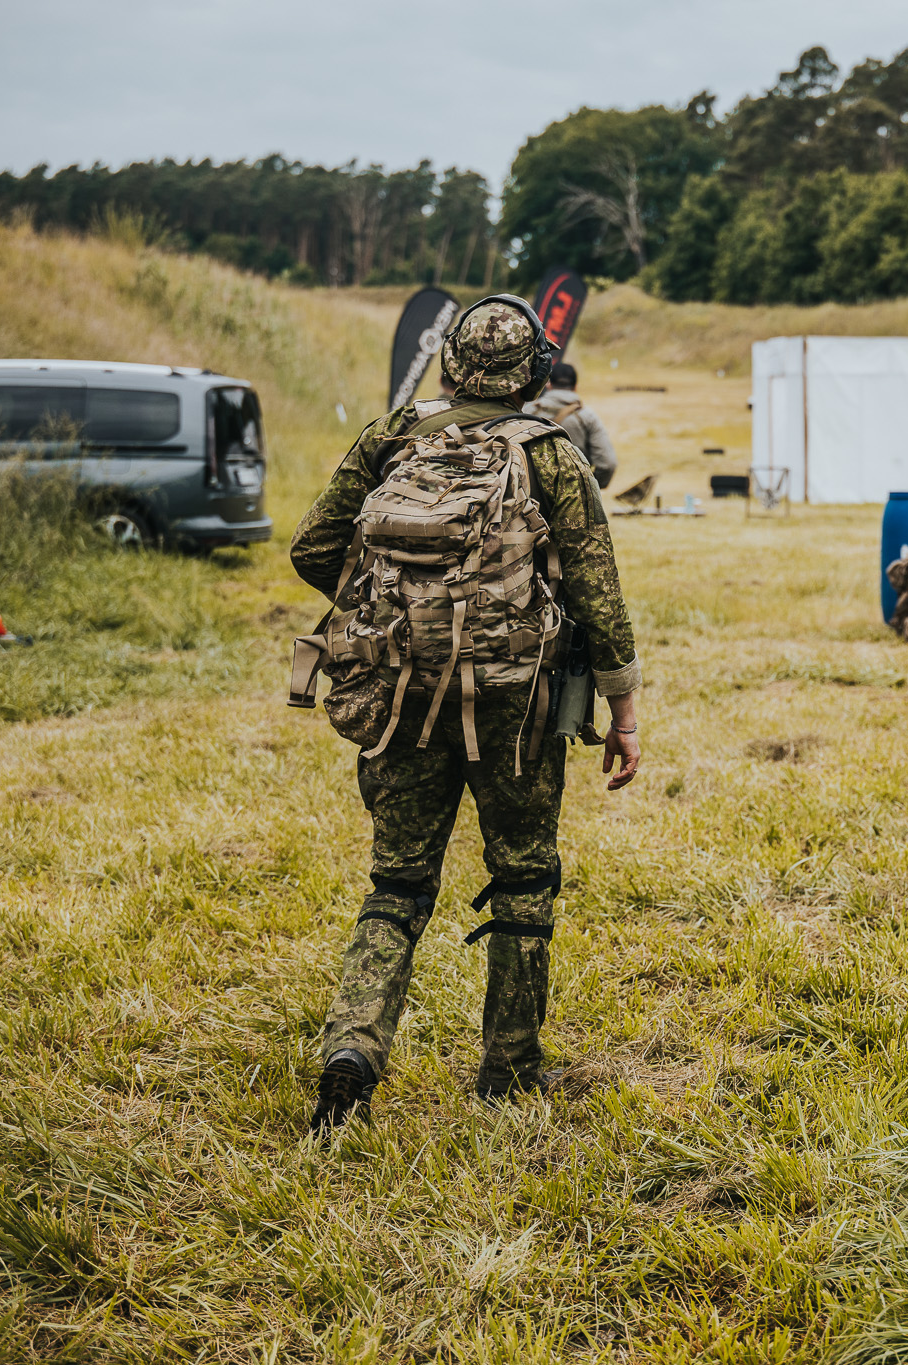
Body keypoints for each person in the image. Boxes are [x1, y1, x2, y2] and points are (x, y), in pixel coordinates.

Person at [291, 297, 642, 1133]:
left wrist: (392, 615)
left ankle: (353, 1050)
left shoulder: (390, 438)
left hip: (399, 696)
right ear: (535, 369)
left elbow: (312, 545)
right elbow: (599, 595)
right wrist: (623, 709)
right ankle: (510, 1070)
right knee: (523, 876)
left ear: (448, 363)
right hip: (515, 705)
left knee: (398, 880)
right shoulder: (553, 454)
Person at [524, 361, 618, 489]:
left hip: (530, 497)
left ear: (549, 385)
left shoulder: (527, 412)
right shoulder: (586, 416)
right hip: (573, 495)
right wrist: (589, 488)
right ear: (575, 387)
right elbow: (607, 464)